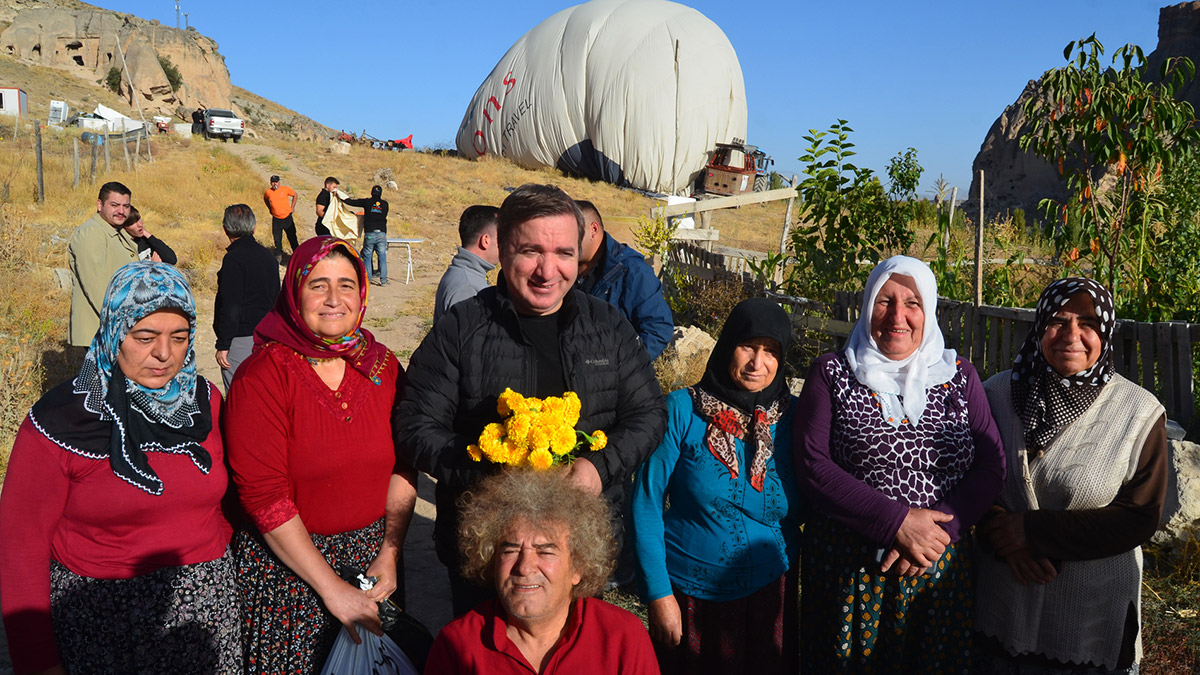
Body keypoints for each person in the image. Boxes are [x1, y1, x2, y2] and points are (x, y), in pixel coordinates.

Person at [395, 183, 666, 618]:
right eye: (531, 251)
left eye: (563, 253)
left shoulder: (608, 327)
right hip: (485, 558)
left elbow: (648, 414)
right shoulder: (461, 329)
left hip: (580, 552)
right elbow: (413, 424)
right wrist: (488, 467)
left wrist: (598, 468)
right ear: (502, 251)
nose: (547, 270)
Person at [0, 262, 240, 674]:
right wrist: (37, 662)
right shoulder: (62, 420)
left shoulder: (204, 401)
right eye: (145, 337)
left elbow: (223, 502)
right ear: (114, 332)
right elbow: (20, 547)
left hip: (205, 615)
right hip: (101, 626)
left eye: (179, 337)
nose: (164, 354)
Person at [792, 255, 1006, 672]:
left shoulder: (960, 376)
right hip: (851, 572)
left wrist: (935, 535)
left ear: (930, 310)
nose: (897, 316)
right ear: (867, 305)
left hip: (937, 574)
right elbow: (812, 465)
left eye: (912, 303)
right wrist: (896, 523)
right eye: (884, 301)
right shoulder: (832, 373)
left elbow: (991, 466)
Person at [224, 237, 418, 674]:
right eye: (318, 285)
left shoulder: (382, 367)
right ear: (294, 293)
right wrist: (331, 588)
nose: (334, 299)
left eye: (346, 285)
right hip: (291, 574)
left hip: (375, 565)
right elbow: (264, 496)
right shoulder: (263, 376)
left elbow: (405, 464)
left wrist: (390, 552)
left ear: (362, 293)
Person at [973, 278, 1167, 674]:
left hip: (1089, 623)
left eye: (1088, 323)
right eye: (1058, 321)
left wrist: (1032, 533)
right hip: (1001, 611)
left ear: (1106, 333)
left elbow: (1139, 516)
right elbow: (968, 478)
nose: (1071, 335)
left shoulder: (1139, 412)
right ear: (1039, 325)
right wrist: (999, 531)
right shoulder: (995, 394)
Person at [632, 297, 801, 674]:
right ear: (727, 346)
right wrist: (658, 594)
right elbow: (646, 502)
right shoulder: (681, 410)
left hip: (772, 595)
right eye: (748, 347)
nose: (758, 363)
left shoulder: (794, 419)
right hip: (692, 598)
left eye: (771, 351)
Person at [425, 470, 659, 674]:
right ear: (491, 561)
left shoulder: (623, 637)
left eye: (545, 551)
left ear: (578, 567)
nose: (524, 567)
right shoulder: (456, 645)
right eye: (511, 550)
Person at [576, 200, 674, 360]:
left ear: (593, 229)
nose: (562, 240)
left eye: (570, 233)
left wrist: (625, 367)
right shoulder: (561, 266)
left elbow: (658, 328)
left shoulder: (633, 271)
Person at [213, 204, 281, 390]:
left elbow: (231, 305)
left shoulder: (234, 259)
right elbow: (276, 297)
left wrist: (223, 344)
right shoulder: (268, 256)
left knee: (239, 392)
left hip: (241, 337)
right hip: (267, 334)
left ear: (225, 229)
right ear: (254, 227)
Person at [68, 181, 136, 347]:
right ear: (100, 205)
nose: (121, 211)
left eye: (126, 206)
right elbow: (96, 285)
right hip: (102, 328)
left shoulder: (116, 231)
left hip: (118, 325)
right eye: (115, 205)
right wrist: (121, 323)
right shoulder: (91, 232)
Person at [433, 204, 499, 322]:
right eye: (502, 239)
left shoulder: (465, 274)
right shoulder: (468, 288)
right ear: (485, 241)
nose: (507, 245)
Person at [342, 185, 390, 285]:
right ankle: (383, 280)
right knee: (382, 256)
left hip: (370, 233)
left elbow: (352, 202)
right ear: (381, 194)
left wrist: (341, 197)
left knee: (367, 256)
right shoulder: (385, 204)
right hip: (381, 233)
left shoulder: (367, 202)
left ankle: (367, 280)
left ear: (371, 193)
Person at [263, 175, 299, 261]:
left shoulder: (285, 189)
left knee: (292, 237)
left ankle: (297, 254)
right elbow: (265, 199)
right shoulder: (268, 192)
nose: (275, 184)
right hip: (276, 219)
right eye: (273, 182)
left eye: (276, 182)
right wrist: (270, 209)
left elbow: (295, 195)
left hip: (287, 218)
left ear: (279, 182)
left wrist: (292, 207)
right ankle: (278, 255)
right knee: (277, 239)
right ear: (270, 183)